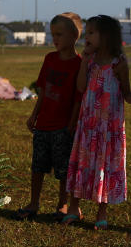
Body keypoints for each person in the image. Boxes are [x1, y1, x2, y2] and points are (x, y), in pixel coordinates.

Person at [63, 15, 131, 230]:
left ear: (105, 36)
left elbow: (126, 92)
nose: (86, 36)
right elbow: (80, 87)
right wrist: (85, 62)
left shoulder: (119, 63)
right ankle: (73, 207)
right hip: (89, 124)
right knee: (82, 162)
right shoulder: (89, 60)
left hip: (109, 128)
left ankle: (102, 211)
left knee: (105, 166)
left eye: (91, 32)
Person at [17, 13, 83, 221]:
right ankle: (33, 202)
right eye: (52, 34)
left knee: (63, 170)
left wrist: (72, 122)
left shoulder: (79, 64)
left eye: (59, 34)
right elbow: (43, 90)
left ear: (74, 36)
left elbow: (77, 98)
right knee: (38, 166)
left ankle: (62, 204)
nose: (55, 39)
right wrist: (34, 114)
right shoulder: (50, 58)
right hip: (44, 123)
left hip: (63, 126)